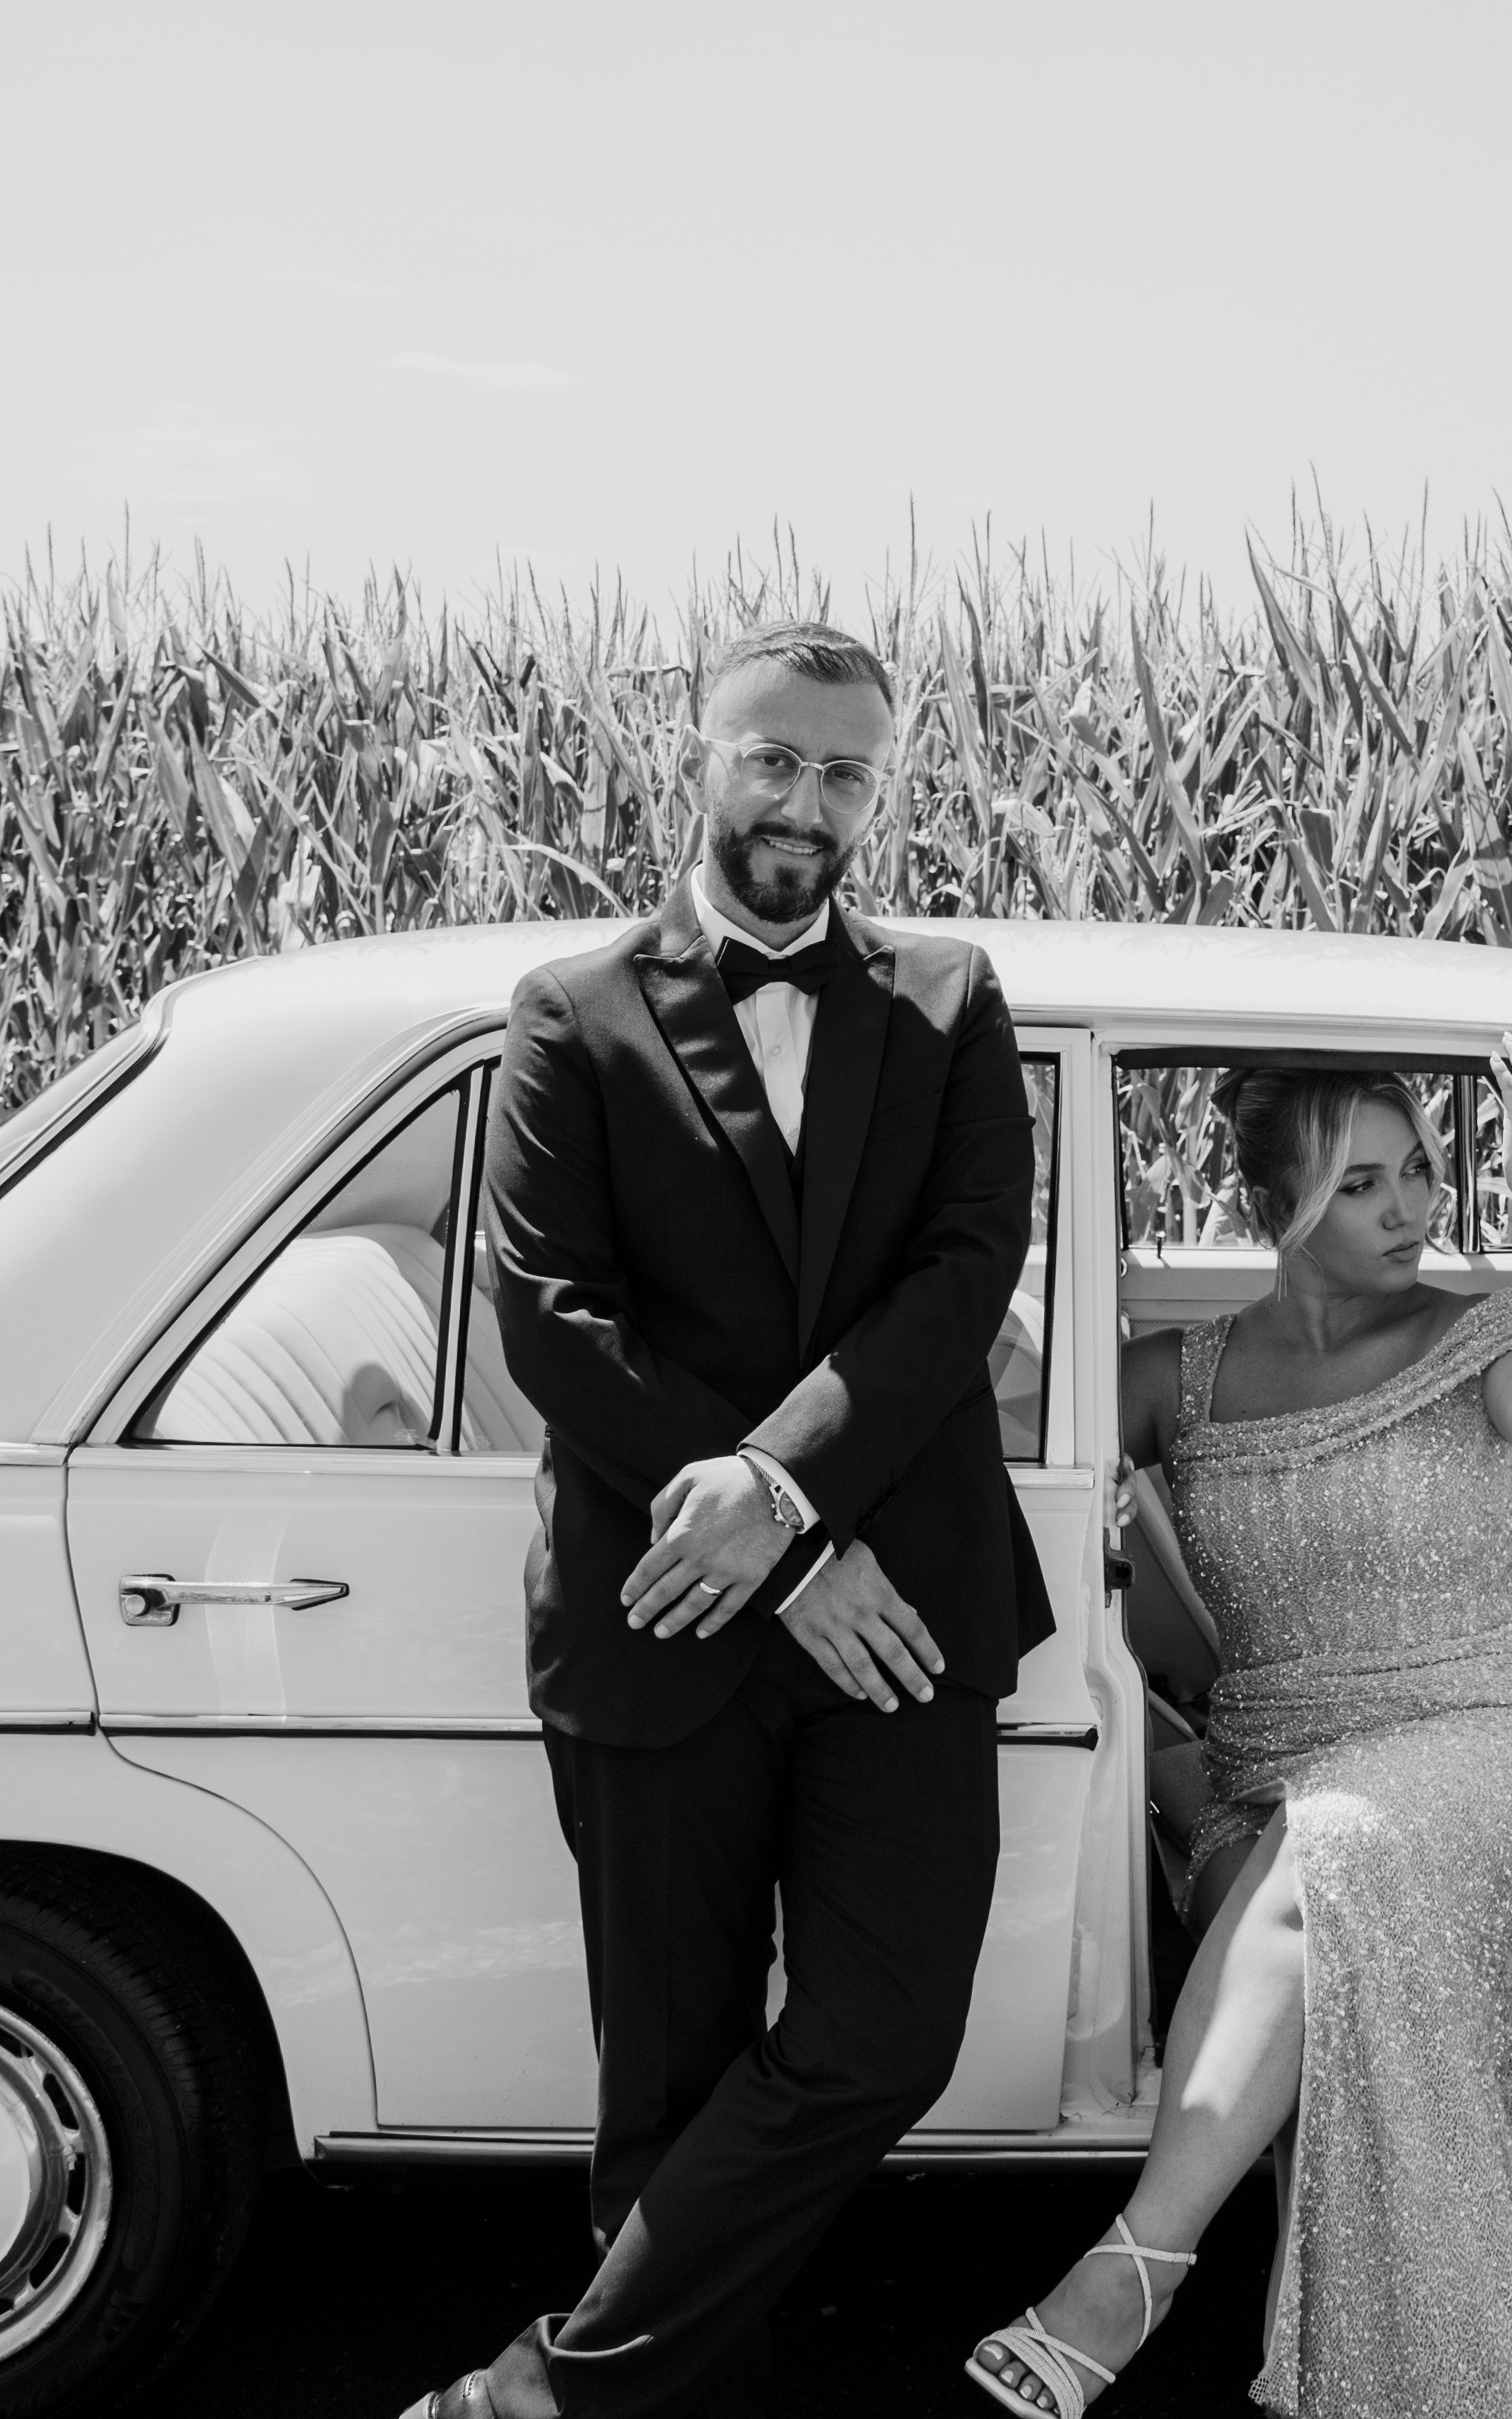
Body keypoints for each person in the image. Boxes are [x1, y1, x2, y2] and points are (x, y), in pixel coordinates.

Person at [398, 621, 1046, 2419]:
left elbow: (964, 1267)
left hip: (898, 1616)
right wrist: (779, 1544)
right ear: (697, 756)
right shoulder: (570, 1014)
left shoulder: (948, 997)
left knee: (883, 2035)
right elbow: (548, 1316)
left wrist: (783, 1492)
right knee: (668, 2073)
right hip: (659, 1612)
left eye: (843, 773)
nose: (805, 802)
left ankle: (544, 2396)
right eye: (772, 758)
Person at [964, 1039, 1512, 2419]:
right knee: (1324, 1885)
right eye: (1361, 1183)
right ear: (1275, 1209)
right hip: (1281, 1762)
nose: (1409, 1207)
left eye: (1419, 1167)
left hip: (1499, 1732)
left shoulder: (1475, 1331)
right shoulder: (1170, 1376)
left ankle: (1133, 2272)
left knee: (1339, 1856)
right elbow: (983, 1434)